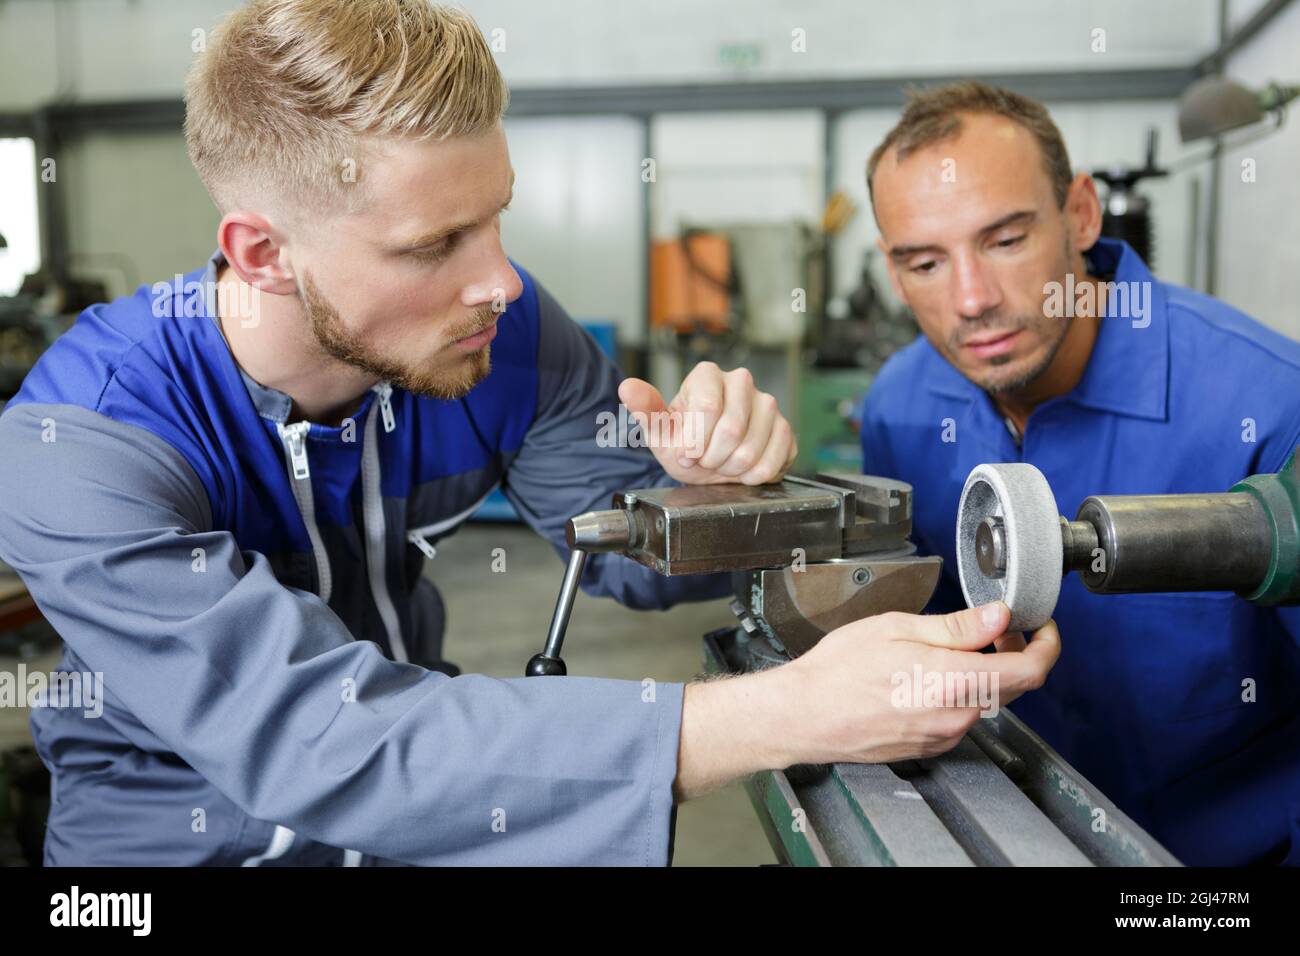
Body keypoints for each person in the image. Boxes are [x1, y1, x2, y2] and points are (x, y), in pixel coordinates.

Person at [0, 4, 1058, 866]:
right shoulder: (84, 438)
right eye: (435, 241)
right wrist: (781, 713)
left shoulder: (500, 333)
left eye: (496, 216)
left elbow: (631, 565)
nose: (500, 278)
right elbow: (314, 741)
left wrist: (709, 487)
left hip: (432, 818)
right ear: (263, 251)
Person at [858, 79, 1300, 865]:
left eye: (1005, 240)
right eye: (924, 261)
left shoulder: (1268, 408)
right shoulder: (899, 403)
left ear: (1082, 215)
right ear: (894, 275)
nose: (971, 300)